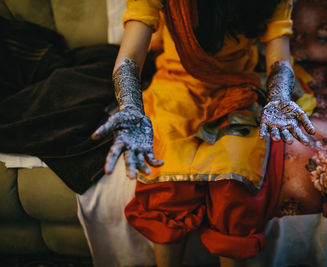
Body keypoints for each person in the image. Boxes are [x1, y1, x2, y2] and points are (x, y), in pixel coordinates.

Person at [90, 0, 315, 266]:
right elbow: (130, 53)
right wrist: (130, 106)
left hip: (238, 87)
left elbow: (279, 53)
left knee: (236, 180)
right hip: (175, 86)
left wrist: (277, 96)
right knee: (165, 176)